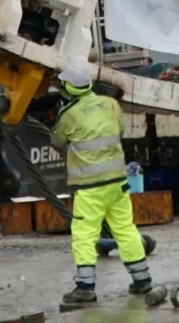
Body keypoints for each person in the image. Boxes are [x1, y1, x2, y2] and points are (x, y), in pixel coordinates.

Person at [49, 64, 150, 309]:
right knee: (125, 230)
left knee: (84, 236)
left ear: (68, 87)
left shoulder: (69, 113)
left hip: (90, 187)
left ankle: (85, 288)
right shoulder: (111, 105)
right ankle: (142, 280)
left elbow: (57, 142)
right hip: (118, 183)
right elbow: (120, 131)